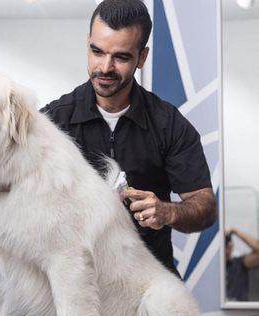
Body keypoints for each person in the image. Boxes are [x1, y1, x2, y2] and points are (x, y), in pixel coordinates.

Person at [40, 0, 217, 276]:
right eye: (97, 51)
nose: (105, 67)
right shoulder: (52, 122)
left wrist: (167, 212)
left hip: (150, 282)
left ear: (142, 57)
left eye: (121, 57)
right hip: (78, 284)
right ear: (88, 43)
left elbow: (205, 207)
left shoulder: (169, 125)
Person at [225, 228, 259, 301]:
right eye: (224, 246)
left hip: (239, 311)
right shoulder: (212, 268)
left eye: (228, 245)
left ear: (231, 247)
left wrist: (235, 231)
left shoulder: (239, 263)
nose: (227, 249)